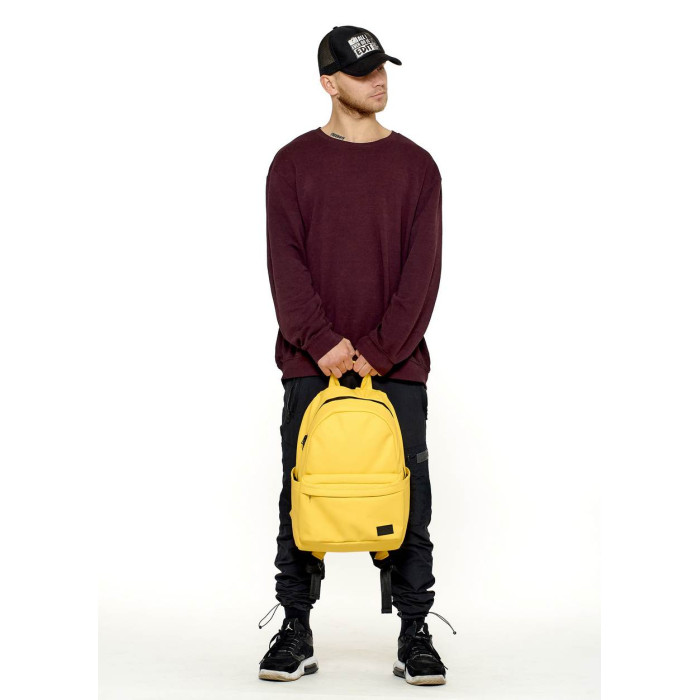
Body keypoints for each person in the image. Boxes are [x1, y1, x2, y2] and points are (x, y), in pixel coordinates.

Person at [257, 25, 455, 685]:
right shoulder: (291, 164)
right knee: (302, 495)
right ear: (328, 82)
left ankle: (415, 630)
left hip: (397, 369)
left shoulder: (417, 167)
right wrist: (322, 342)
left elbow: (422, 275)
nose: (378, 80)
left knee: (408, 498)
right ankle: (295, 627)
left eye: (381, 69)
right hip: (308, 365)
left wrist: (376, 351)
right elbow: (284, 266)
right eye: (362, 72)